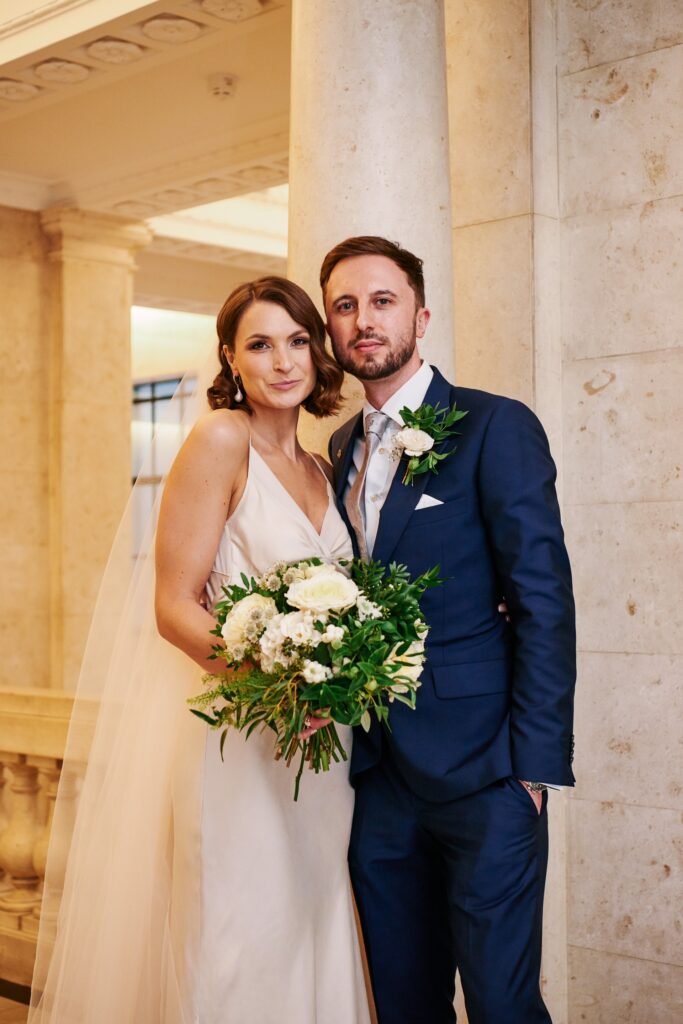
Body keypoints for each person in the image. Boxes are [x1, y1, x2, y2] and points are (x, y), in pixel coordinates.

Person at [28, 277, 371, 1024]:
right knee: (238, 932)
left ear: (316, 351)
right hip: (241, 739)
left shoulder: (320, 466)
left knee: (310, 921)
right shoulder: (221, 439)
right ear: (230, 358)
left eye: (295, 340)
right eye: (258, 344)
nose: (282, 360)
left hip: (322, 750)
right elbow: (174, 608)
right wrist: (281, 691)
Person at [323, 236, 576, 1024]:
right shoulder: (336, 450)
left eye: (382, 300)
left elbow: (543, 603)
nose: (363, 320)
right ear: (332, 329)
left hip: (487, 774)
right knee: (402, 1001)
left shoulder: (493, 426)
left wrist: (531, 772)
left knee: (500, 1004)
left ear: (421, 314)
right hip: (379, 778)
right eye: (344, 306)